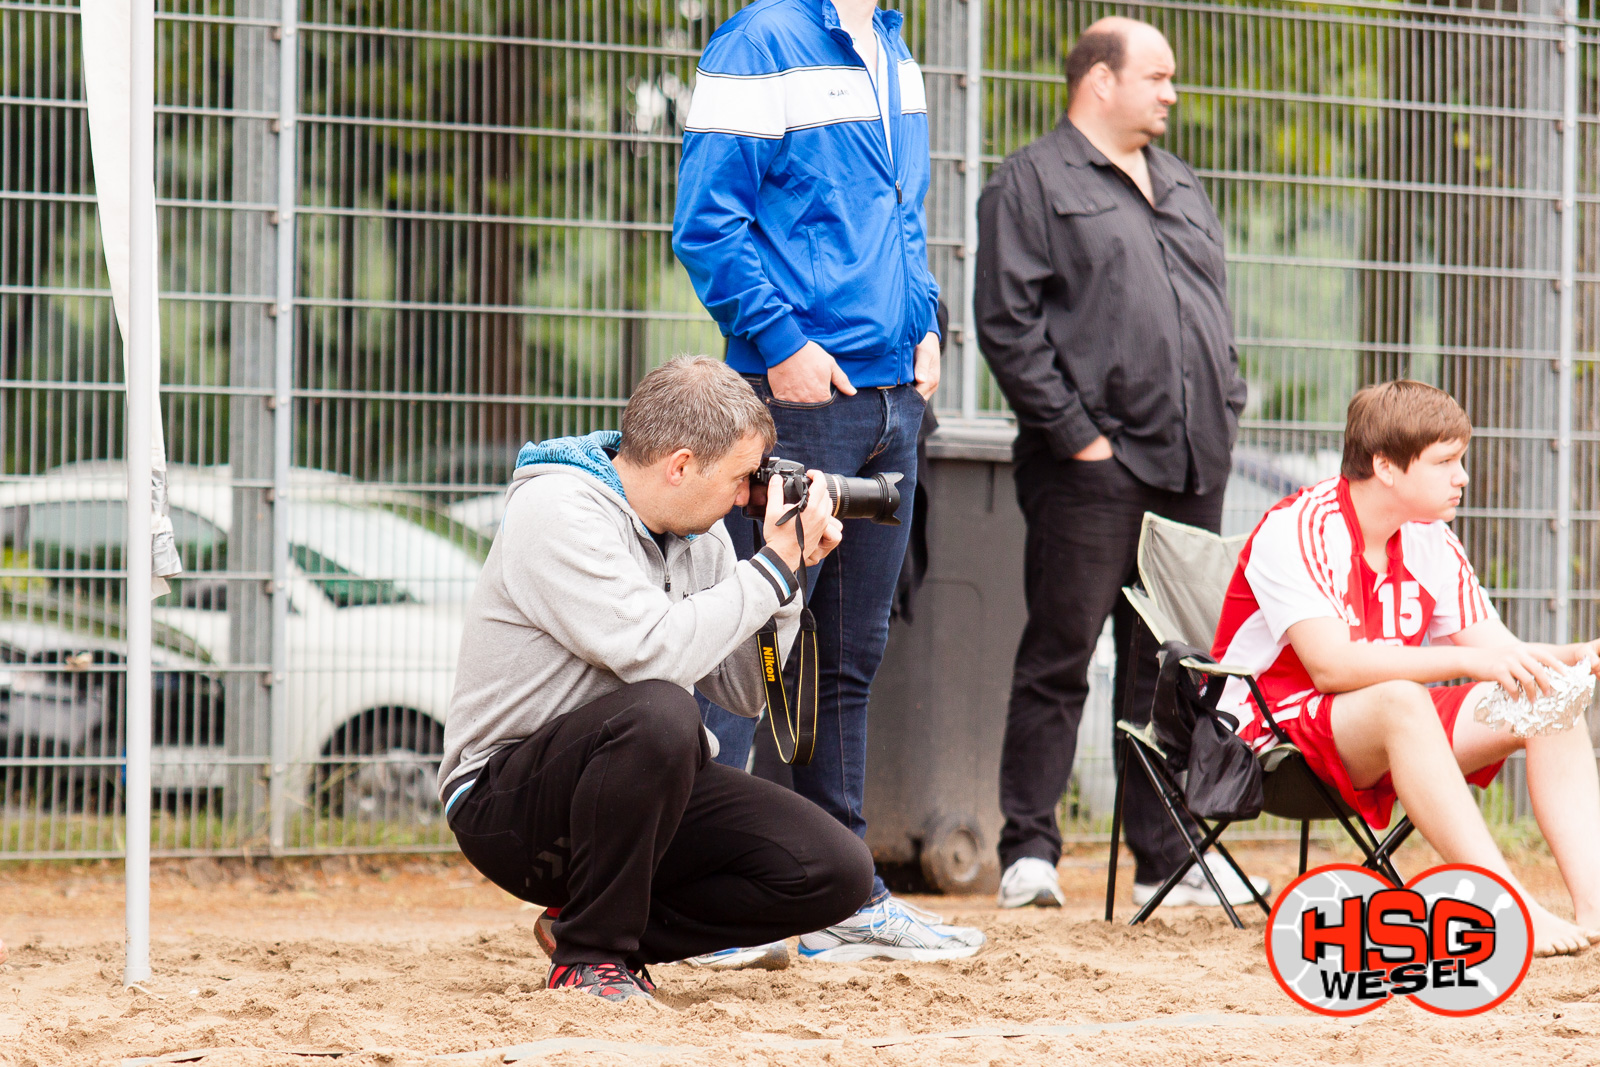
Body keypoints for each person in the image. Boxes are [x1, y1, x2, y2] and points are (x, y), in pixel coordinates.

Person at [672, 0, 986, 961]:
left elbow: (904, 215)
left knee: (845, 657)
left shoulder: (896, 48)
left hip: (896, 392)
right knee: (745, 647)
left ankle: (841, 894)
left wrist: (927, 320)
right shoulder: (759, 41)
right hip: (802, 391)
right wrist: (782, 345)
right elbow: (705, 223)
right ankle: (709, 898)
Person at [437, 357, 874, 1002]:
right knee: (664, 711)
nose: (740, 496)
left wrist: (786, 581)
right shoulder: (558, 511)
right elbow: (654, 656)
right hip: (508, 803)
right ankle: (590, 960)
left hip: (643, 785)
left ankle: (585, 928)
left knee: (835, 871)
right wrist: (771, 569)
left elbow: (749, 692)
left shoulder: (701, 536)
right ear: (680, 464)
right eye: (736, 479)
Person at [974, 16, 1257, 910]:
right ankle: (1030, 852)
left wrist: (1227, 402)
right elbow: (1007, 324)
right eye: (1158, 77)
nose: (1172, 93)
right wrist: (1078, 438)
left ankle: (1163, 855)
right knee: (1061, 653)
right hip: (1090, 468)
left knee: (1173, 664)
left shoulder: (1179, 182)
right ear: (1100, 80)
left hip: (1192, 462)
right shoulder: (1029, 182)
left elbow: (1211, 310)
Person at [1213, 380, 1600, 958]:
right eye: (1445, 461)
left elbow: (1501, 650)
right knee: (1402, 698)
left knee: (1548, 694)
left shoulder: (1430, 540)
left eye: (1460, 460)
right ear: (1386, 467)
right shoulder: (1297, 527)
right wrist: (1473, 661)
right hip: (1271, 738)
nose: (1462, 476)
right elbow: (1331, 666)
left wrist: (1575, 656)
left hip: (1385, 728)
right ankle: (1508, 906)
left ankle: (1596, 906)